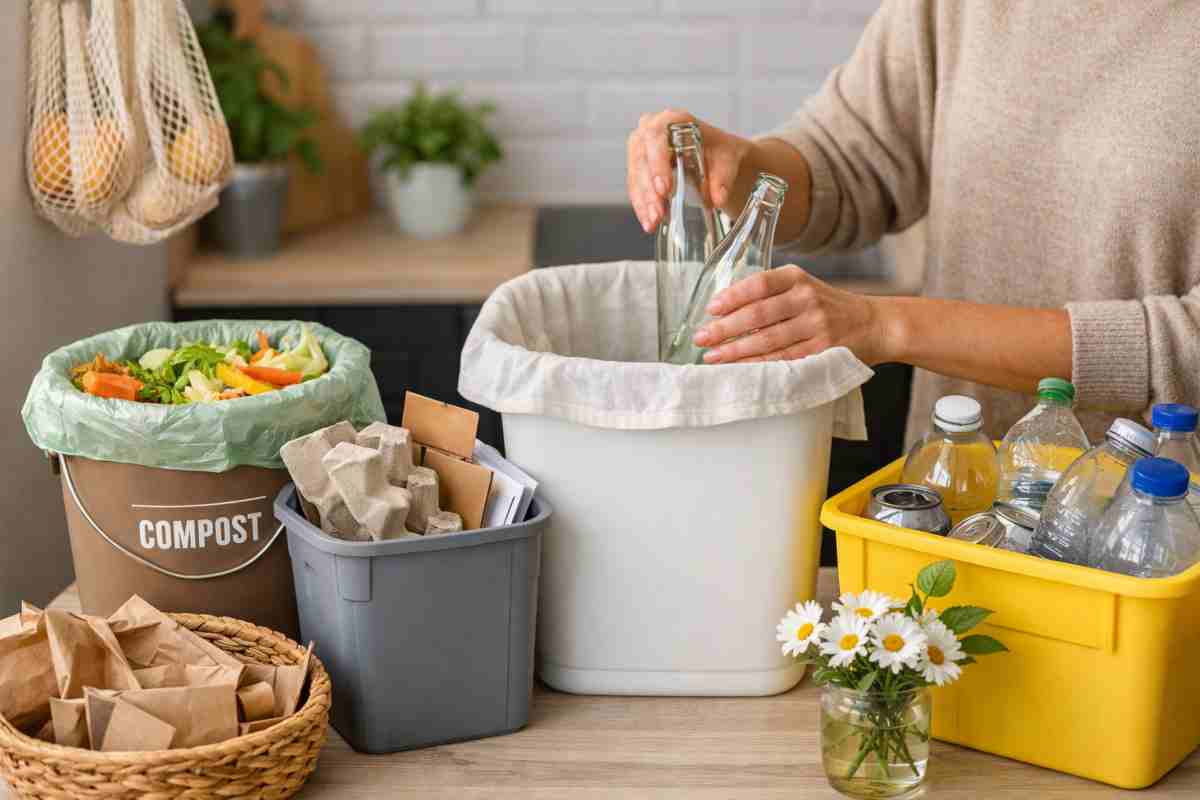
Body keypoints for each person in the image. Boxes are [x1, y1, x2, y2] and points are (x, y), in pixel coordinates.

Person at [625, 2, 1199, 444]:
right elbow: (849, 162)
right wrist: (738, 168)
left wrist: (888, 326)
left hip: (1155, 524)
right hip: (956, 493)